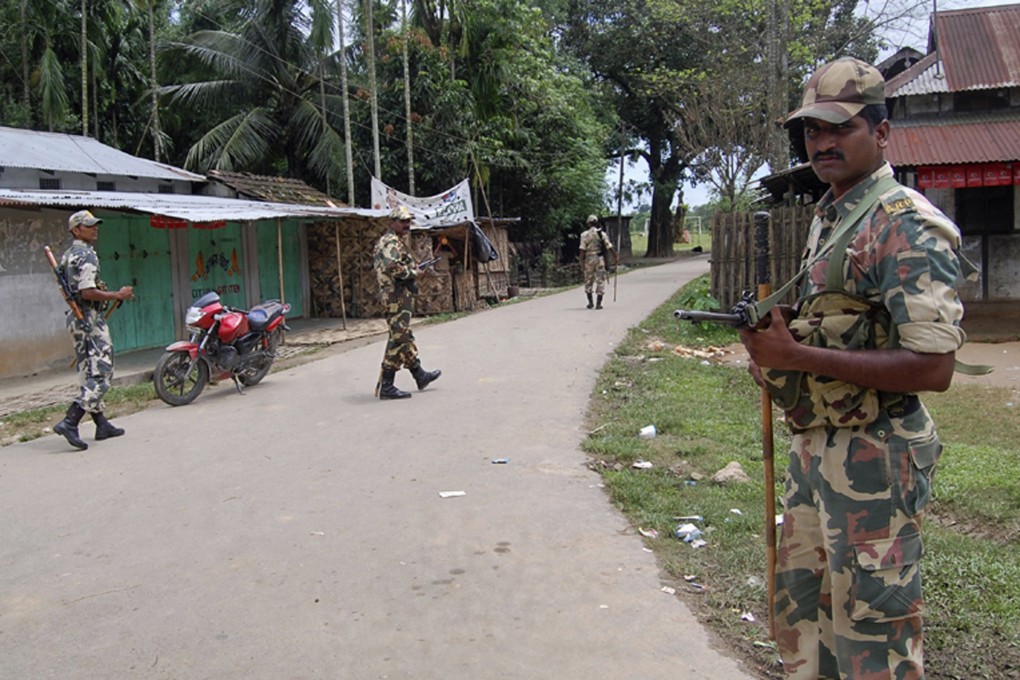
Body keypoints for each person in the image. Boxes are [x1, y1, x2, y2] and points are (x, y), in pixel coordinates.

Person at [739, 57, 971, 678]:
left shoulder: (905, 224)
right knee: (807, 614)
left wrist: (796, 356)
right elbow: (852, 317)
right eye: (812, 131)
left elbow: (933, 367)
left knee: (873, 629)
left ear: (883, 131)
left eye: (839, 128)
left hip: (878, 455)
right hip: (818, 448)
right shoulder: (835, 214)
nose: (822, 143)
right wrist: (788, 326)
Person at [53, 210, 134, 450]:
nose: (95, 228)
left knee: (88, 372)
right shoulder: (86, 255)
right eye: (88, 226)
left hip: (76, 319)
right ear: (76, 230)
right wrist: (116, 295)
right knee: (102, 374)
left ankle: (101, 423)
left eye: (95, 224)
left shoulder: (69, 255)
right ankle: (71, 420)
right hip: (89, 318)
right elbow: (87, 291)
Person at [372, 205, 441, 400]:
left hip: (398, 294)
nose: (406, 224)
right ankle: (387, 384)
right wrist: (414, 273)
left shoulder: (393, 241)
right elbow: (392, 266)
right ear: (392, 222)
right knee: (398, 338)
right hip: (396, 296)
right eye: (402, 221)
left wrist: (414, 267)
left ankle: (419, 374)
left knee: (403, 335)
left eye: (408, 221)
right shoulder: (390, 242)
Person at [578, 215, 617, 309]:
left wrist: (581, 261)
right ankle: (599, 304)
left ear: (588, 223)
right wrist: (615, 256)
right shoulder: (602, 234)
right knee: (600, 280)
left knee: (588, 280)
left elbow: (582, 249)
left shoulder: (584, 235)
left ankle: (590, 303)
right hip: (600, 258)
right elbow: (609, 246)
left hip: (589, 259)